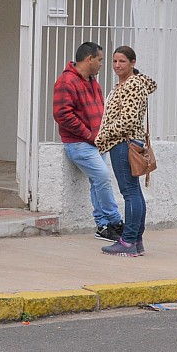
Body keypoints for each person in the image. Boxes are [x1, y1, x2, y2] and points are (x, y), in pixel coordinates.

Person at [52, 41, 123, 242]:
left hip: (97, 142)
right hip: (78, 143)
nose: (102, 64)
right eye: (100, 59)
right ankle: (115, 221)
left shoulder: (93, 82)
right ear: (89, 59)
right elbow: (62, 114)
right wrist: (89, 134)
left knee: (98, 182)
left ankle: (102, 226)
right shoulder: (67, 81)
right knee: (102, 177)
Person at [95, 46, 157, 257]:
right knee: (134, 192)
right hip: (124, 142)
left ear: (133, 63)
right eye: (114, 61)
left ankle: (129, 241)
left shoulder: (132, 85)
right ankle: (135, 240)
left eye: (122, 61)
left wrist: (103, 136)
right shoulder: (126, 84)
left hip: (124, 143)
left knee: (130, 192)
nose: (117, 65)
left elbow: (128, 120)